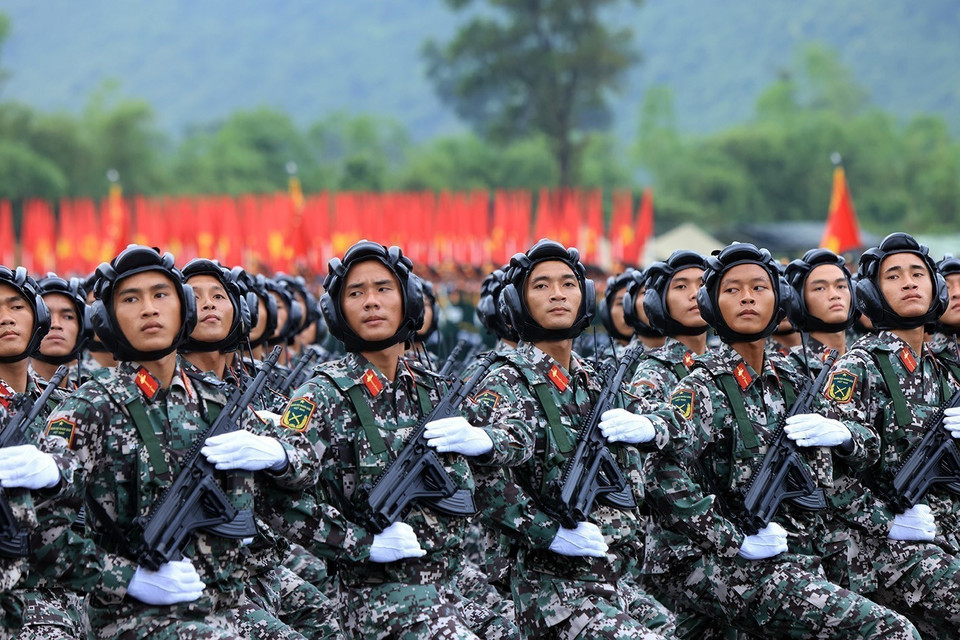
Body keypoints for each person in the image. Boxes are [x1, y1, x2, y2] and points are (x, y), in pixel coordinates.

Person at [44, 245, 318, 639]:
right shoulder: (91, 407)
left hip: (225, 604)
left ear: (182, 309)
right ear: (108, 319)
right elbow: (41, 529)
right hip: (136, 615)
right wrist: (126, 578)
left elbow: (296, 485)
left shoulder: (216, 398)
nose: (149, 309)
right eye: (131, 299)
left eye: (160, 295)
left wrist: (280, 457)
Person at [649, 242, 918, 639]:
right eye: (732, 290)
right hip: (724, 561)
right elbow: (662, 468)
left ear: (779, 299)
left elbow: (859, 441)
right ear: (712, 304)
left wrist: (846, 438)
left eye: (759, 287)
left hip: (794, 548)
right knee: (888, 630)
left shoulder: (796, 378)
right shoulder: (704, 385)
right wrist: (729, 537)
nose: (746, 298)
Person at [269, 240, 519, 639]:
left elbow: (516, 439)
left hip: (452, 583)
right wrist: (358, 542)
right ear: (337, 311)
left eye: (383, 289)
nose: (371, 302)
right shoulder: (322, 394)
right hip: (377, 596)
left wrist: (487, 441)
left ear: (408, 301)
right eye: (356, 293)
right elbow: (276, 497)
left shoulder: (433, 389)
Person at [463, 239, 675, 639]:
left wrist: (653, 428)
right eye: (541, 286)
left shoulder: (594, 379)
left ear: (585, 295)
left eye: (568, 284)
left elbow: (659, 425)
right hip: (549, 585)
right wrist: (549, 531)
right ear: (518, 302)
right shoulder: (504, 381)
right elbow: (486, 482)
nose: (557, 294)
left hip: (611, 575)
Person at [815, 233, 960, 638]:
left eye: (918, 273)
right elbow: (827, 472)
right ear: (872, 293)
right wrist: (887, 521)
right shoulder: (856, 368)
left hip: (943, 534)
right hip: (878, 547)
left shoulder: (944, 369)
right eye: (893, 276)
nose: (910, 282)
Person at [0, 266, 84, 639]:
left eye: (15, 306)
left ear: (38, 316)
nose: (4, 319)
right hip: (16, 596)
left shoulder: (73, 406)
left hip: (80, 583)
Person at [630, 250, 710, 402]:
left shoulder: (726, 367)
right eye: (681, 286)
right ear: (659, 303)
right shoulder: (652, 374)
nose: (695, 293)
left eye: (702, 285)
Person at [31, 273, 92, 389]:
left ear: (83, 327)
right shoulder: (11, 397)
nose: (56, 325)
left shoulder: (92, 394)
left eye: (68, 317)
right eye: (46, 315)